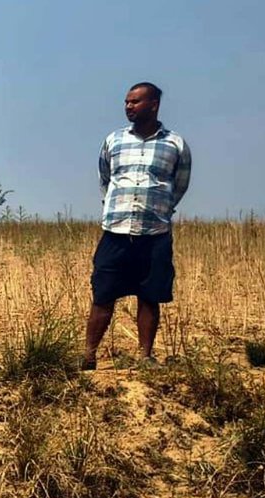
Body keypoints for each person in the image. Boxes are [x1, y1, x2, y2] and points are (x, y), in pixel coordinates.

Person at [83, 82, 191, 369]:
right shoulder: (114, 140)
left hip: (155, 234)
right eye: (127, 102)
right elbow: (105, 178)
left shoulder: (175, 144)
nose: (128, 106)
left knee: (149, 296)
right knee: (103, 294)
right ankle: (88, 356)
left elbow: (180, 184)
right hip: (116, 231)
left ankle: (145, 356)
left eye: (135, 102)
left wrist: (162, 209)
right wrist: (114, 205)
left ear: (153, 104)